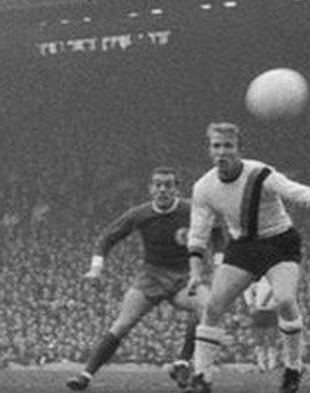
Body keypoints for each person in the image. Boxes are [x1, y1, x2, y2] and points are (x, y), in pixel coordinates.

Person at [184, 122, 310, 393]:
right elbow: (198, 233)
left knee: (285, 300)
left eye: (228, 146)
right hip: (243, 246)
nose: (222, 152)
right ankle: (202, 376)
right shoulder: (204, 187)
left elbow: (296, 192)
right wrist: (194, 272)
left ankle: (293, 368)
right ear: (209, 150)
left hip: (279, 242)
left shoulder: (260, 174)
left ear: (240, 149)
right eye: (217, 146)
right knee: (213, 306)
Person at [66, 166, 218, 391]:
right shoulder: (140, 214)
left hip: (183, 277)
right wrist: (96, 268)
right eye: (158, 185)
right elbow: (108, 237)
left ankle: (182, 363)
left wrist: (220, 262)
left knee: (206, 308)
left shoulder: (191, 209)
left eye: (168, 185)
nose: (163, 189)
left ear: (177, 188)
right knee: (122, 324)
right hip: (151, 277)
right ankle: (85, 376)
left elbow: (217, 231)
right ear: (151, 189)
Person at [243, 276, 279, 372]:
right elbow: (247, 289)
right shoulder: (257, 278)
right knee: (259, 339)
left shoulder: (276, 276)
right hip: (259, 311)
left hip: (272, 311)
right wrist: (250, 304)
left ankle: (272, 363)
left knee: (272, 338)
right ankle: (261, 363)